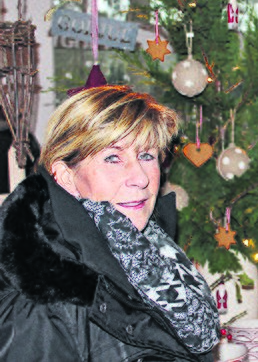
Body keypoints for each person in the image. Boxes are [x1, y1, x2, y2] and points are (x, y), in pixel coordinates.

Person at [0, 85, 220, 361]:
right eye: (112, 158)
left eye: (146, 155)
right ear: (65, 176)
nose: (141, 178)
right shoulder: (43, 300)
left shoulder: (148, 251)